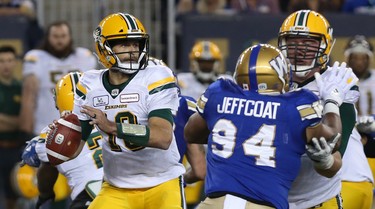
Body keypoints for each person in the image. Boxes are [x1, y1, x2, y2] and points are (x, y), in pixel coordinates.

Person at [184, 43, 356, 209]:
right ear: (280, 76)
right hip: (263, 204)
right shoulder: (295, 106)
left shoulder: (219, 93)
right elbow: (333, 138)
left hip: (214, 202)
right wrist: (332, 101)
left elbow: (190, 134)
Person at [72, 12, 186, 209]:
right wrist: (56, 138)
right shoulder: (88, 84)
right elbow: (73, 148)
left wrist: (112, 127)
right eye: (124, 44)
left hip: (162, 183)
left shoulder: (156, 76)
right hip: (116, 187)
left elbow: (162, 137)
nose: (133, 51)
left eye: (136, 44)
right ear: (103, 48)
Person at [277, 9, 360, 208]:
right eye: (293, 42)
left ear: (326, 45)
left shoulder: (337, 82)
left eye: (309, 43)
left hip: (316, 199)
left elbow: (336, 156)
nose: (300, 51)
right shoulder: (270, 78)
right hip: (271, 196)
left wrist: (325, 162)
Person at [21, 72, 104, 209]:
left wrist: (45, 196)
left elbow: (43, 169)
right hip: (126, 188)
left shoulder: (50, 134)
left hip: (88, 195)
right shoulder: (113, 116)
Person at [19, 20, 97, 140]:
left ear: (70, 37)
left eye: (63, 36)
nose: (60, 40)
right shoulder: (36, 58)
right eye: (55, 36)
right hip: (45, 127)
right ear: (47, 38)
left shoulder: (83, 57)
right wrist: (26, 129)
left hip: (80, 126)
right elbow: (29, 93)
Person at [149, 56, 206, 208]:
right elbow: (200, 170)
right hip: (167, 191)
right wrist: (182, 179)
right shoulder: (184, 106)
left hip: (124, 190)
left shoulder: (119, 108)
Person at [340, 35, 375, 209]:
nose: (359, 62)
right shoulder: (339, 80)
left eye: (363, 57)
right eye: (355, 57)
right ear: (348, 58)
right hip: (349, 137)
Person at [0, 45, 22, 209]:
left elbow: (25, 122)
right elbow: (20, 121)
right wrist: (16, 121)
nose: (6, 65)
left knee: (13, 197)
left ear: (15, 63)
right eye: (1, 61)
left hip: (16, 150)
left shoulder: (21, 88)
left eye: (9, 60)